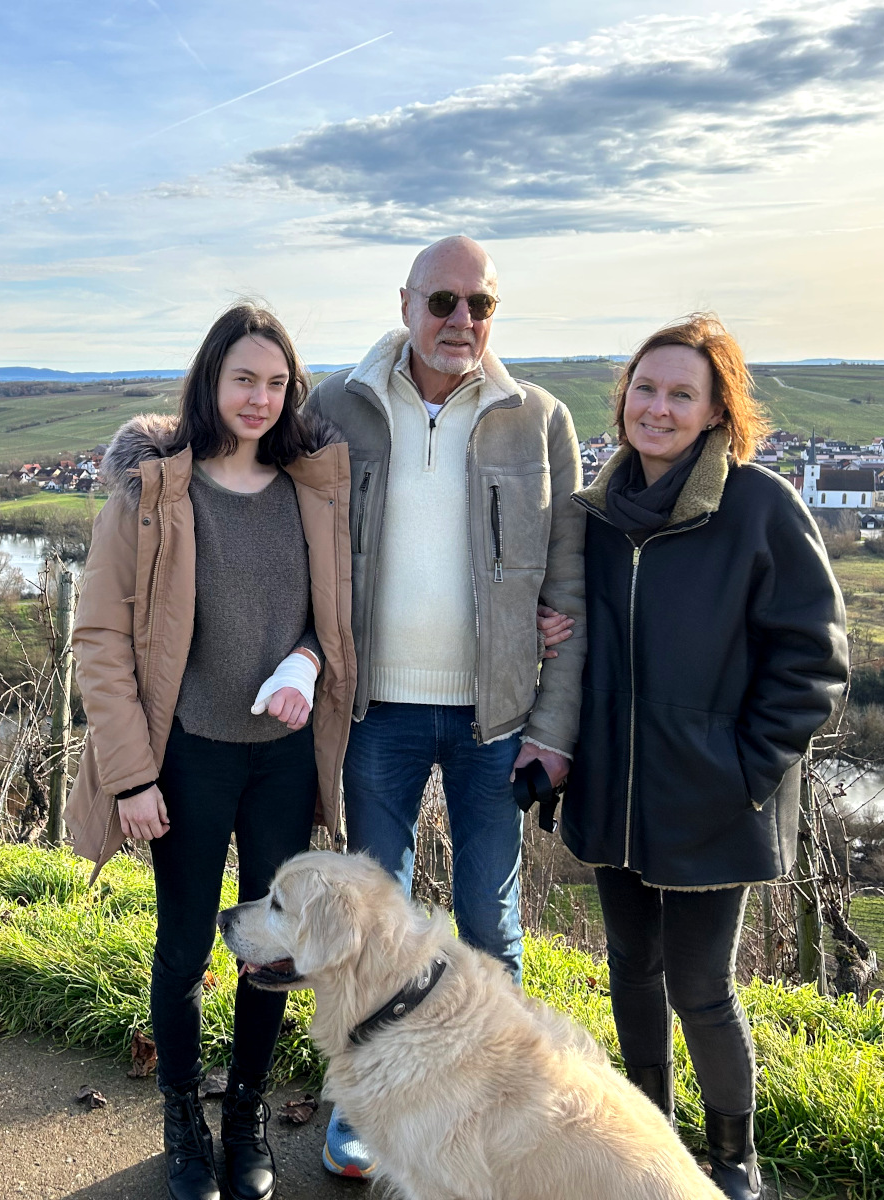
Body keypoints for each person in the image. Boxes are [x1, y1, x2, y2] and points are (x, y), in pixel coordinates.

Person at [304, 235, 587, 1178]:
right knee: (367, 931)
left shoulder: (538, 419)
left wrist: (551, 729)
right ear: (405, 302)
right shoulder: (336, 406)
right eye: (443, 303)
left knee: (488, 925)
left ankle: (491, 1113)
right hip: (375, 710)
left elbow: (570, 591)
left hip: (491, 720)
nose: (462, 322)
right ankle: (369, 1110)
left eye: (482, 305)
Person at [65, 303, 355, 1200]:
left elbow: (330, 617)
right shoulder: (152, 497)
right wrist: (132, 777)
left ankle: (248, 1116)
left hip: (284, 762)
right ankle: (184, 1114)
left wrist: (308, 659)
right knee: (185, 947)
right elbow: (100, 641)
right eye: (244, 379)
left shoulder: (314, 490)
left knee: (271, 948)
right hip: (187, 759)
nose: (261, 399)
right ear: (210, 382)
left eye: (277, 383)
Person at [559, 314, 847, 1200]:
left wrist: (745, 772)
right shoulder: (595, 514)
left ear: (718, 411)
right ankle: (649, 1146)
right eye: (645, 388)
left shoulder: (759, 507)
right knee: (630, 976)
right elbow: (570, 633)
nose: (659, 407)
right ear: (623, 401)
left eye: (682, 393)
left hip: (712, 799)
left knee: (700, 989)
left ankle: (733, 1159)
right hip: (616, 794)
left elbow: (815, 657)